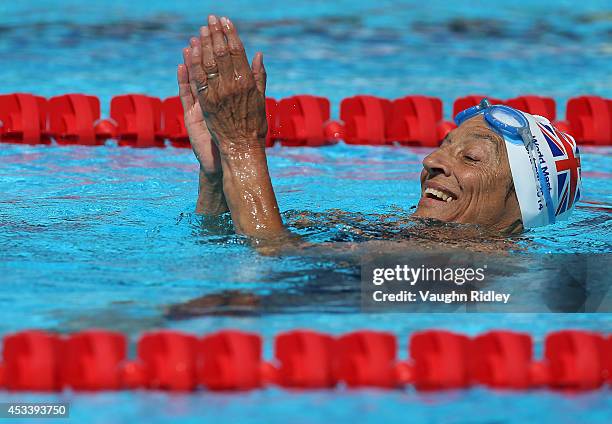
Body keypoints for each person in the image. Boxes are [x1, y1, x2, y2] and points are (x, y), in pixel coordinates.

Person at [177, 15, 582, 241]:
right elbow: (223, 239)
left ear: (519, 203)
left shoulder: (471, 263)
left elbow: (273, 256)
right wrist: (216, 173)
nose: (432, 159)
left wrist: (242, 146)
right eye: (444, 144)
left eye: (471, 157)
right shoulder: (399, 232)